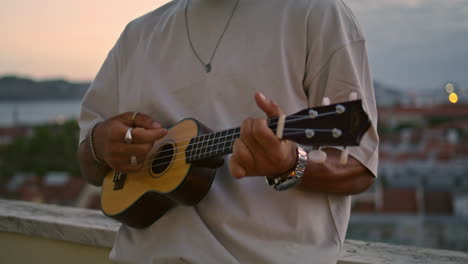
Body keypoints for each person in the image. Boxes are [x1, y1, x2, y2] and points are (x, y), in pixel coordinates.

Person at [78, 0, 379, 263]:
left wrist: (291, 164)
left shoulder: (316, 10)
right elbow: (90, 166)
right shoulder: (137, 35)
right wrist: (99, 143)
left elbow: (358, 167)